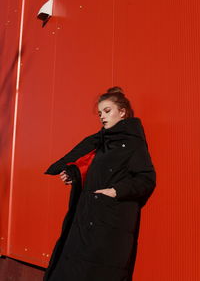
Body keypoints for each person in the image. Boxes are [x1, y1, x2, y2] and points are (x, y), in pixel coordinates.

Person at [43, 87, 156, 281]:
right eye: (100, 113)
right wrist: (74, 176)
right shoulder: (101, 142)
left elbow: (146, 179)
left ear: (122, 112)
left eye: (107, 111)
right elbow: (92, 170)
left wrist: (115, 191)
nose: (102, 117)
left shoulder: (133, 144)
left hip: (109, 222)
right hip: (86, 217)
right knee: (70, 271)